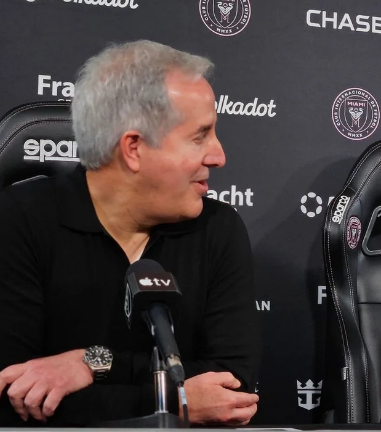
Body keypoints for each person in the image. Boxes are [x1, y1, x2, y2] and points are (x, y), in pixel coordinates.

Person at [0, 40, 261, 427]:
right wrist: (175, 403)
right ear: (134, 148)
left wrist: (91, 363)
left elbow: (231, 391)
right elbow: (17, 396)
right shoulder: (18, 220)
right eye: (200, 136)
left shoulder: (218, 229)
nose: (218, 155)